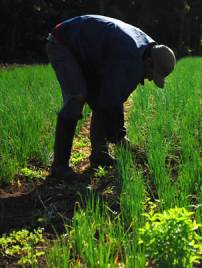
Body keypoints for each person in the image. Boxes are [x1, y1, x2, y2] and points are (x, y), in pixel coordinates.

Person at [46, 15, 176, 181]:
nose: (150, 79)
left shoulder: (147, 50)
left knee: (102, 97)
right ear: (149, 63)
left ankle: (100, 154)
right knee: (77, 97)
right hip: (63, 43)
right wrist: (119, 138)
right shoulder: (129, 55)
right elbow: (111, 100)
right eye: (153, 74)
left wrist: (118, 134)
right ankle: (60, 167)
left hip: (89, 52)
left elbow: (114, 96)